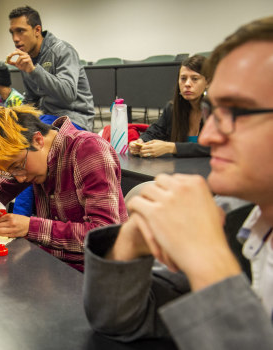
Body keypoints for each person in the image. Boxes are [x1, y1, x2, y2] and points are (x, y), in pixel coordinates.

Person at [83, 16, 273, 349]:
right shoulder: (233, 218)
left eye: (238, 111)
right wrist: (127, 245)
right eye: (215, 110)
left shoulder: (217, 230)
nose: (210, 135)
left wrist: (208, 264)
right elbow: (120, 320)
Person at [0, 105, 127, 271]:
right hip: (54, 269)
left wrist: (30, 227)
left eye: (17, 167)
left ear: (38, 140)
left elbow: (105, 236)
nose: (20, 178)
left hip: (100, 274)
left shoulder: (89, 150)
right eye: (10, 171)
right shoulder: (26, 158)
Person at [6, 6, 95, 131]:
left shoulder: (63, 50)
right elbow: (32, 98)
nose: (15, 38)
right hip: (46, 117)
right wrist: (15, 116)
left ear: (37, 30)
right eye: (12, 32)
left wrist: (34, 70)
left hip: (74, 118)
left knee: (30, 138)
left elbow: (67, 95)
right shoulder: (27, 58)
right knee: (8, 131)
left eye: (20, 31)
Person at [129, 55, 210, 158]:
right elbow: (155, 131)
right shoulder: (172, 109)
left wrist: (171, 147)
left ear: (207, 82)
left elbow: (212, 147)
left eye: (194, 79)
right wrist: (140, 141)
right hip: (180, 169)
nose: (187, 84)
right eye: (183, 79)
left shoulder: (217, 110)